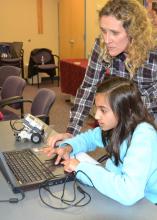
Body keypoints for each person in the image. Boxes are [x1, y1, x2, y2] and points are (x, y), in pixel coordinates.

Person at [48, 0, 157, 147]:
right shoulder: (101, 46)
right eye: (103, 31)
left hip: (150, 127)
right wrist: (71, 132)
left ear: (134, 32)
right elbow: (88, 87)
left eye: (114, 33)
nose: (107, 39)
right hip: (122, 124)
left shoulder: (153, 52)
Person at [47, 77, 157, 206]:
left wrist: (81, 168)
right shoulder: (117, 125)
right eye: (97, 109)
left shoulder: (143, 135)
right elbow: (89, 138)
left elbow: (129, 192)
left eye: (103, 110)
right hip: (123, 195)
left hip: (148, 204)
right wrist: (68, 147)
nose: (97, 116)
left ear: (125, 110)